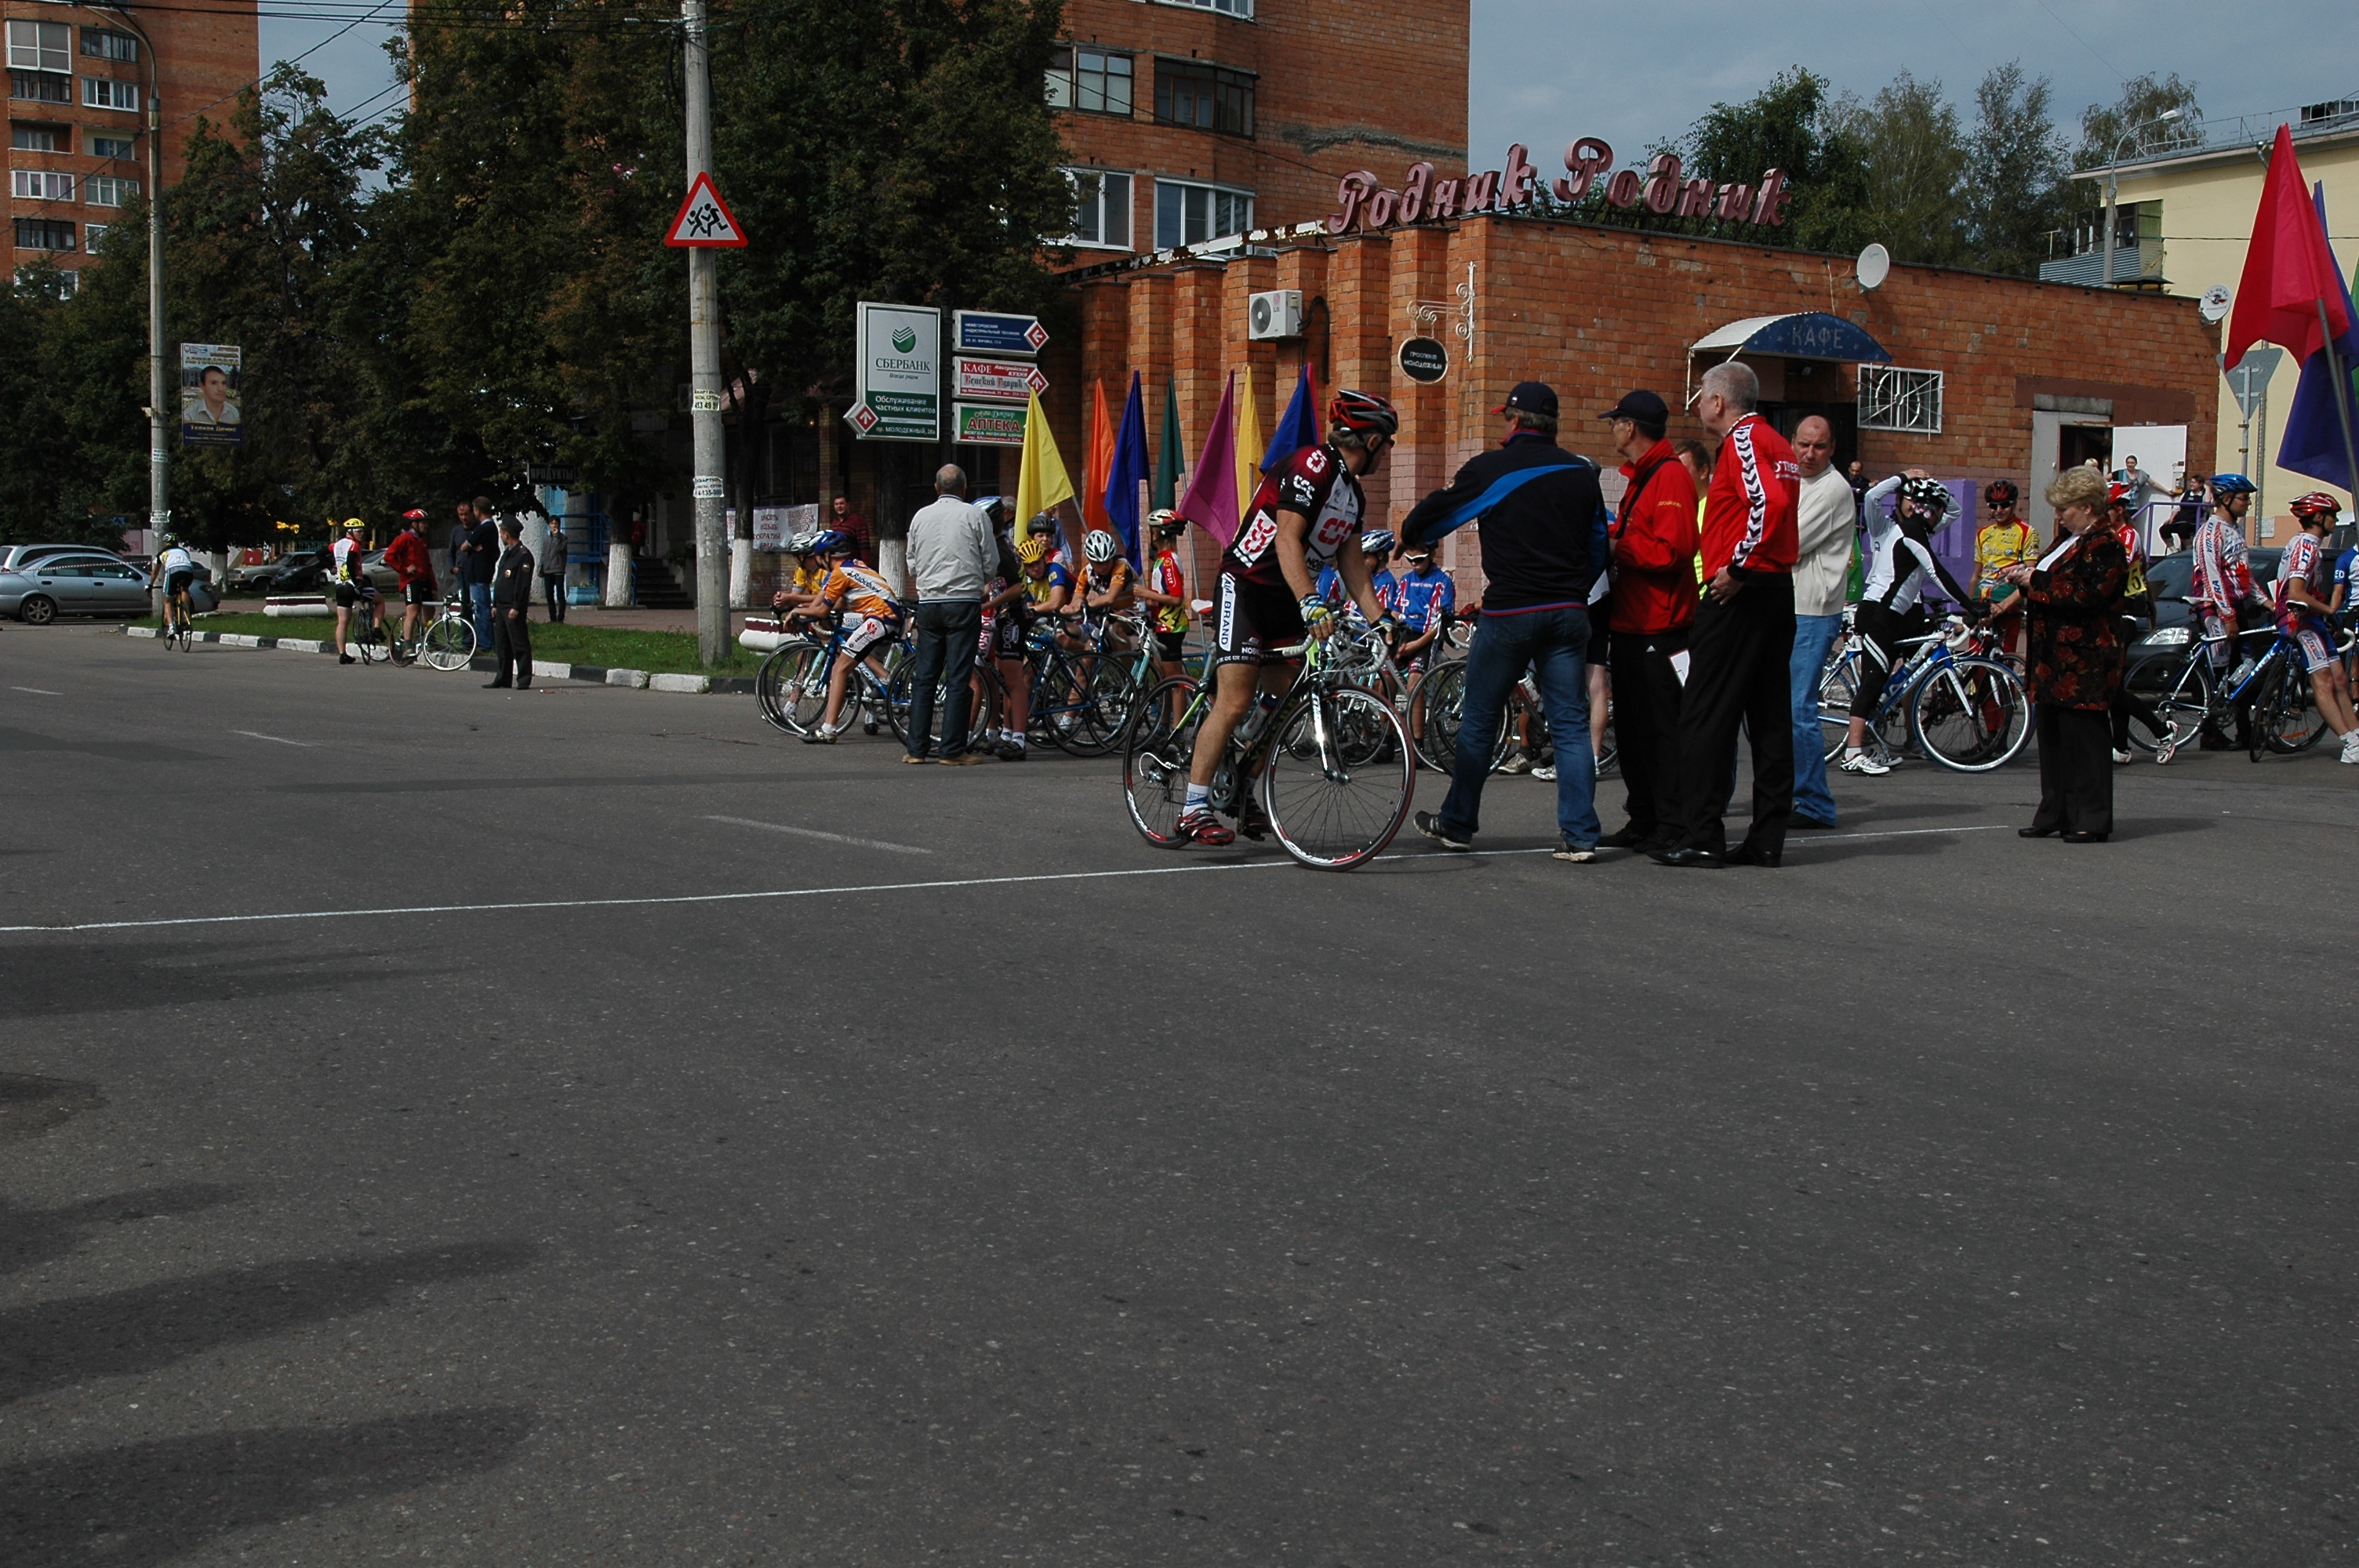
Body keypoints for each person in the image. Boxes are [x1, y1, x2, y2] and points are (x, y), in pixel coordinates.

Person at [1176, 390, 1399, 846]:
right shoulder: (1311, 466)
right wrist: (1311, 601)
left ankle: (1241, 788)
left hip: (1289, 599)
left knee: (1283, 702)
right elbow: (1286, 539)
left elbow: (1352, 564)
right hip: (1248, 588)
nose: (1389, 451)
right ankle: (1193, 807)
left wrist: (1382, 619)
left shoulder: (1353, 494)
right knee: (1236, 699)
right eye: (1389, 442)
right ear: (1373, 440)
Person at [1403, 381, 1605, 862]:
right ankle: (1580, 835)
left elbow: (1434, 517)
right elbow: (1599, 544)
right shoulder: (1582, 474)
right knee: (1571, 724)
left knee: (1479, 719)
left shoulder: (1491, 468)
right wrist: (1575, 590)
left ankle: (1457, 823)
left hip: (1511, 610)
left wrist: (1412, 535)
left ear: (1513, 421)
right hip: (1568, 611)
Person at [1652, 361, 1799, 869]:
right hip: (1776, 589)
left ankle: (1702, 833)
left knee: (1704, 712)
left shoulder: (1744, 440)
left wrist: (1738, 567)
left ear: (1719, 401)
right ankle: (1767, 837)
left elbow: (1769, 504)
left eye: (1701, 395)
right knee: (1770, 717)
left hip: (1741, 591)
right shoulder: (1777, 443)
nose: (1697, 404)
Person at [2000, 466, 2126, 842]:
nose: (2058, 516)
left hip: (2084, 659)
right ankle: (2055, 812)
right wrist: (2025, 575)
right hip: (2052, 658)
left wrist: (2035, 580)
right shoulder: (2067, 541)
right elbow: (2051, 578)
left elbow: (2089, 594)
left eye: (2064, 509)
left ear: (2087, 507)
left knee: (2085, 741)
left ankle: (2091, 817)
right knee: (2053, 738)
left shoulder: (2105, 545)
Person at [1597, 389, 1698, 851]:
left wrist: (1619, 547)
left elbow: (1675, 551)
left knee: (1662, 731)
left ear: (1630, 427)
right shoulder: (1644, 476)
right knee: (1635, 731)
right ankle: (1644, 817)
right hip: (1633, 622)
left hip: (1661, 624)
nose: (1612, 430)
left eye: (1615, 422)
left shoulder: (1669, 476)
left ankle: (1672, 824)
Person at [1837, 474, 1974, 775]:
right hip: (1879, 609)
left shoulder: (1921, 528)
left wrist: (1930, 487)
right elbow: (1872, 497)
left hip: (1906, 611)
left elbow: (1954, 510)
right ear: (1900, 501)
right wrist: (1904, 478)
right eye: (1909, 499)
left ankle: (1906, 737)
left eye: (1919, 502)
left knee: (1913, 671)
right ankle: (1854, 750)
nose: (1914, 505)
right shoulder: (1888, 527)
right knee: (1875, 679)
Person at [901, 463, 995, 764]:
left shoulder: (920, 516)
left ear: (937, 488)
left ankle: (916, 749)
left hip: (929, 603)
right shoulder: (975, 515)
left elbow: (912, 564)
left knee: (925, 677)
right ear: (965, 488)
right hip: (964, 602)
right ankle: (952, 750)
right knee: (958, 677)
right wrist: (978, 580)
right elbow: (990, 561)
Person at [1787, 415, 1852, 829]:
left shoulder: (1832, 489)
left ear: (1832, 450)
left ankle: (1814, 804)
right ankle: (1790, 794)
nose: (1810, 453)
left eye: (1820, 447)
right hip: (1788, 606)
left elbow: (1788, 544)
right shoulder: (1792, 480)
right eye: (1804, 444)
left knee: (1799, 710)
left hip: (1812, 611)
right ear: (1792, 442)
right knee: (1780, 711)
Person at [792, 531, 903, 743]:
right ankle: (884, 680)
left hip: (880, 617)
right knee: (850, 659)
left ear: (826, 556)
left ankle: (828, 730)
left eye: (818, 557)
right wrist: (803, 610)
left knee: (840, 668)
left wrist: (796, 611)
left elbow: (823, 611)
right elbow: (840, 602)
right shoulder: (854, 565)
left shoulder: (839, 573)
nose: (818, 561)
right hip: (887, 615)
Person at [2274, 492, 2359, 763]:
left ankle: (2356, 736)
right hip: (2298, 619)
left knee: (2340, 680)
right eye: (2333, 515)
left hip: (2312, 618)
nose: (2336, 520)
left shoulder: (2312, 545)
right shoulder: (2306, 546)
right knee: (2323, 680)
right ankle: (2349, 744)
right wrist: (2329, 610)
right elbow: (2296, 593)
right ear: (2319, 517)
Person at [2189, 474, 2266, 750]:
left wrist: (2266, 602)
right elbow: (2212, 578)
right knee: (2217, 672)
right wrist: (2228, 616)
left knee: (2242, 671)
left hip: (2236, 606)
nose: (2248, 504)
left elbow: (2243, 574)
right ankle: (2209, 733)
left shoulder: (2235, 530)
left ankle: (2245, 731)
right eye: (2244, 498)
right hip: (2215, 611)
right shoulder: (2210, 532)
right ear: (2227, 499)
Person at [2103, 481, 2175, 763]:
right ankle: (2120, 747)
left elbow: (2116, 569)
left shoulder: (2128, 535)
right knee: (2115, 686)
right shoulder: (2108, 534)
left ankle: (2162, 732)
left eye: (2106, 510)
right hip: (2111, 615)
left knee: (2111, 687)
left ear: (2119, 510)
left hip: (2127, 614)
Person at [1973, 481, 2037, 664]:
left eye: (2004, 505)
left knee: (2003, 662)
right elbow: (1975, 575)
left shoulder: (2027, 532)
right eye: (1993, 506)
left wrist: (2003, 606)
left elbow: (2030, 576)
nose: (1999, 510)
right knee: (1976, 663)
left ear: (2014, 504)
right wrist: (1968, 608)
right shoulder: (1983, 533)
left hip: (2007, 603)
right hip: (1981, 601)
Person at [1136, 510, 1194, 684]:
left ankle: (1183, 704)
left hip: (1171, 627)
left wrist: (1145, 593)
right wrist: (1148, 602)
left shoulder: (1169, 561)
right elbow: (1163, 595)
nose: (1149, 535)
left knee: (1174, 682)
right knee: (1162, 680)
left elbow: (1176, 598)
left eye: (1151, 531)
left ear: (1157, 534)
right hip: (1161, 625)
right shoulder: (1161, 560)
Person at [484, 517, 535, 688]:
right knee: (502, 644)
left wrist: (517, 606)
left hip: (513, 607)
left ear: (506, 534)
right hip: (501, 606)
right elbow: (500, 581)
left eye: (501, 533)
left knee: (519, 643)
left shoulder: (524, 556)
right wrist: (495, 604)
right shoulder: (507, 554)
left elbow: (523, 585)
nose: (501, 536)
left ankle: (524, 678)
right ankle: (503, 678)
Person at [1390, 541, 1456, 674]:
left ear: (1432, 554)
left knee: (1414, 682)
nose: (1414, 564)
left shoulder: (1443, 581)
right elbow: (1396, 611)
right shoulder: (1405, 579)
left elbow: (1444, 621)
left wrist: (1418, 644)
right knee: (1383, 681)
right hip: (1404, 634)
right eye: (1409, 559)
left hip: (1426, 638)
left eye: (1419, 559)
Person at [330, 518, 383, 664]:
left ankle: (342, 654)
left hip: (340, 586)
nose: (361, 534)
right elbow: (350, 562)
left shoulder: (337, 544)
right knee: (380, 601)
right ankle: (377, 629)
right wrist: (356, 582)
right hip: (353, 585)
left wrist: (331, 567)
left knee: (342, 622)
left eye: (362, 531)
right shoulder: (354, 545)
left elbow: (321, 553)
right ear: (350, 532)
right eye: (358, 531)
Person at [384, 508, 438, 648]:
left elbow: (428, 565)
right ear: (414, 524)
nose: (426, 526)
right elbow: (389, 556)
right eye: (423, 523)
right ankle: (408, 644)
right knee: (413, 611)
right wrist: (404, 569)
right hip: (411, 581)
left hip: (424, 580)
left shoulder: (422, 541)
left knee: (430, 611)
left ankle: (429, 638)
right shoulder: (404, 538)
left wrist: (433, 586)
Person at [463, 497, 499, 648]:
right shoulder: (489, 528)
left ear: (477, 510)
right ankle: (483, 640)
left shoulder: (484, 528)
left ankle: (485, 642)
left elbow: (464, 546)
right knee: (480, 607)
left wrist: (471, 546)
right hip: (480, 573)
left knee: (480, 609)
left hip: (479, 574)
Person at [154, 532, 198, 636]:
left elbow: (155, 573)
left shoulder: (161, 553)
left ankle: (171, 627)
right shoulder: (184, 551)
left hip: (173, 571)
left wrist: (150, 585)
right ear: (177, 543)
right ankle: (184, 614)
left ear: (165, 543)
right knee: (184, 589)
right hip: (188, 571)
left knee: (167, 601)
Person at [540, 515, 568, 622]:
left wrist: (556, 536)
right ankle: (552, 618)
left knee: (560, 595)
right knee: (549, 596)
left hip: (558, 570)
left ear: (559, 525)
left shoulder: (563, 538)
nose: (554, 526)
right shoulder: (546, 539)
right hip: (548, 570)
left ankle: (560, 618)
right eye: (551, 524)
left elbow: (557, 549)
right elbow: (544, 555)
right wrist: (542, 568)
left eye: (556, 524)